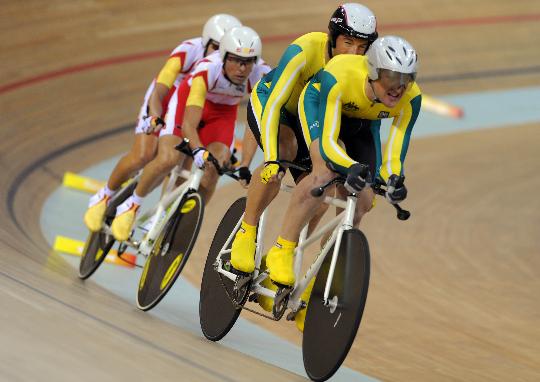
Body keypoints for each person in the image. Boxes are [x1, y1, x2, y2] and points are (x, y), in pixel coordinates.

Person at [268, 35, 421, 330]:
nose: (398, 87)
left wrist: (392, 179)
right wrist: (349, 166)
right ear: (374, 72)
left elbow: (398, 144)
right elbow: (327, 142)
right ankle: (282, 248)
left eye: (406, 79)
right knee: (323, 172)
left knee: (363, 199)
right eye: (391, 77)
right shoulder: (338, 76)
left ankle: (320, 279)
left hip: (361, 122)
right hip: (320, 106)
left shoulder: (411, 97)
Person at [230, 3, 378, 276]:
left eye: (362, 47)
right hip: (275, 106)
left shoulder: (364, 69)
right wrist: (273, 159)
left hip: (308, 121)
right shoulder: (305, 50)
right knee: (284, 150)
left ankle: (285, 253)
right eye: (348, 43)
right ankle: (246, 232)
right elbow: (274, 105)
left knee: (325, 186)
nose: (354, 53)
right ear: (333, 38)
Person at [109, 26, 271, 241]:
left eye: (248, 61)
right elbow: (189, 124)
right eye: (235, 60)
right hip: (190, 103)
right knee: (169, 158)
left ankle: (178, 219)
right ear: (223, 57)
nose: (242, 68)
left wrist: (245, 163)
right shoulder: (207, 69)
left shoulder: (261, 75)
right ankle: (131, 206)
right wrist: (196, 149)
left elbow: (255, 122)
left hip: (222, 114)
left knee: (214, 168)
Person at [83, 14, 242, 232]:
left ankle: (160, 215)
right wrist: (154, 115)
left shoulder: (224, 67)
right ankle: (104, 196)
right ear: (205, 42)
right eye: (215, 47)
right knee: (144, 155)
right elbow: (162, 85)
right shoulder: (188, 50)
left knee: (184, 164)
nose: (218, 54)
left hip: (195, 104)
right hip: (167, 97)